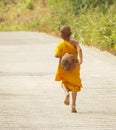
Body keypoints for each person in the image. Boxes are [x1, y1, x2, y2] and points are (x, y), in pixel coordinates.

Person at [54, 25, 83, 113]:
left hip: (64, 67)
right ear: (70, 34)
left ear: (61, 35)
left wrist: (64, 55)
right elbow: (79, 50)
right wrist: (80, 61)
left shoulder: (60, 45)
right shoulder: (75, 43)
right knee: (74, 86)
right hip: (74, 66)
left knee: (64, 83)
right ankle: (73, 105)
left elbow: (56, 55)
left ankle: (66, 94)